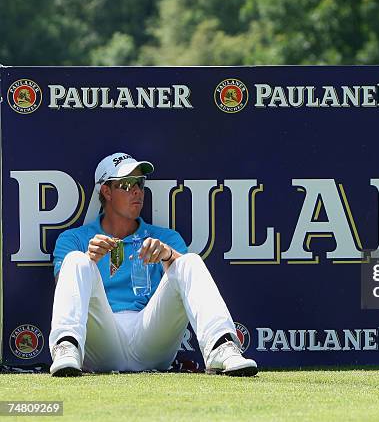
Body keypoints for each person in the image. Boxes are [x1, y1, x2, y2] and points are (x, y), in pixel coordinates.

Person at [49, 153, 257, 377]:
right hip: (101, 343)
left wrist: (167, 255)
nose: (137, 190)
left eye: (140, 183)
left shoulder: (165, 237)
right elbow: (63, 286)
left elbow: (187, 284)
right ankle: (66, 348)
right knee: (76, 259)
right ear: (106, 191)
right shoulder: (74, 238)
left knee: (189, 261)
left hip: (150, 338)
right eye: (127, 184)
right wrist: (90, 260)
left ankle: (221, 347)